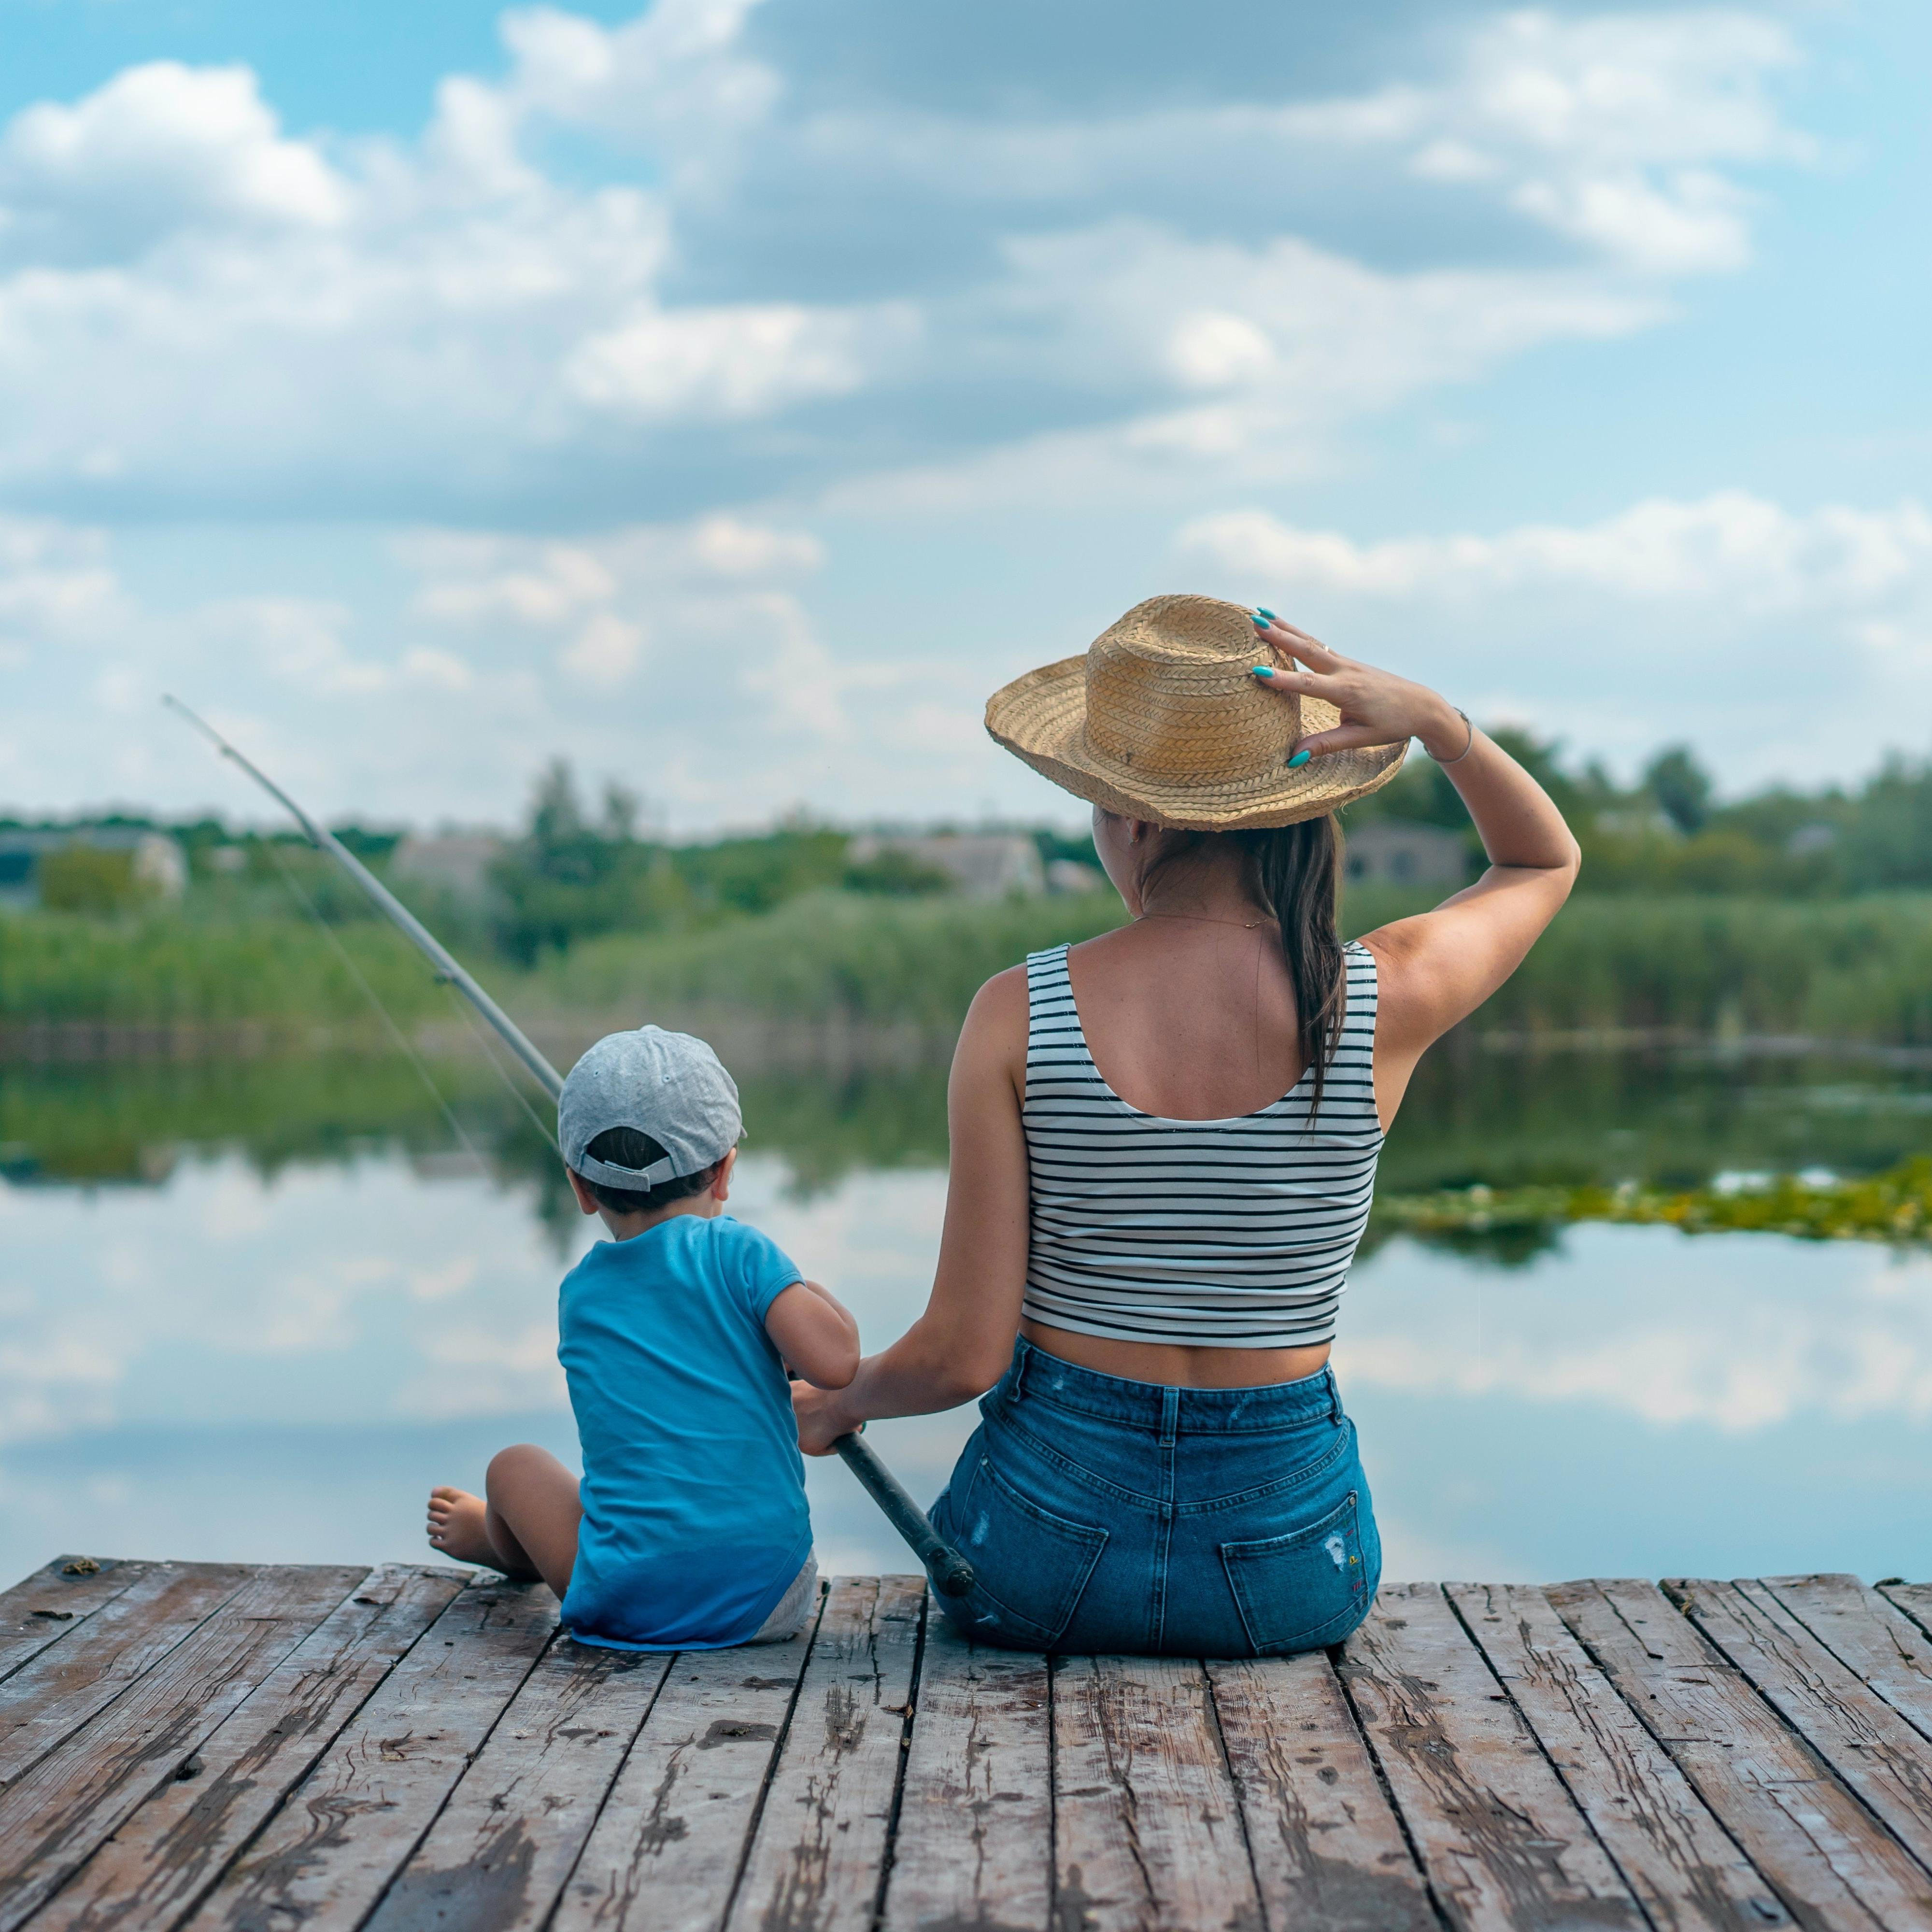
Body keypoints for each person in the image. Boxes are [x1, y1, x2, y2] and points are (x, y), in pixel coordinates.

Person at [793, 593, 1579, 1656]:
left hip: (1034, 1561)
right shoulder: (1381, 995)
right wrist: (1438, 723)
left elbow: (961, 1354)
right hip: (1293, 1569)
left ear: (1134, 817)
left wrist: (842, 1400)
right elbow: (1539, 860)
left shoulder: (1018, 1009)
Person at [426, 1025, 860, 1649]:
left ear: (579, 1188)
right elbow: (838, 1362)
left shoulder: (580, 1295)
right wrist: (797, 1286)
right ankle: (514, 1549)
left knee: (513, 1467)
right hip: (770, 1600)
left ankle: (505, 1549)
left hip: (624, 1603)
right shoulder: (743, 1255)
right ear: (724, 1172)